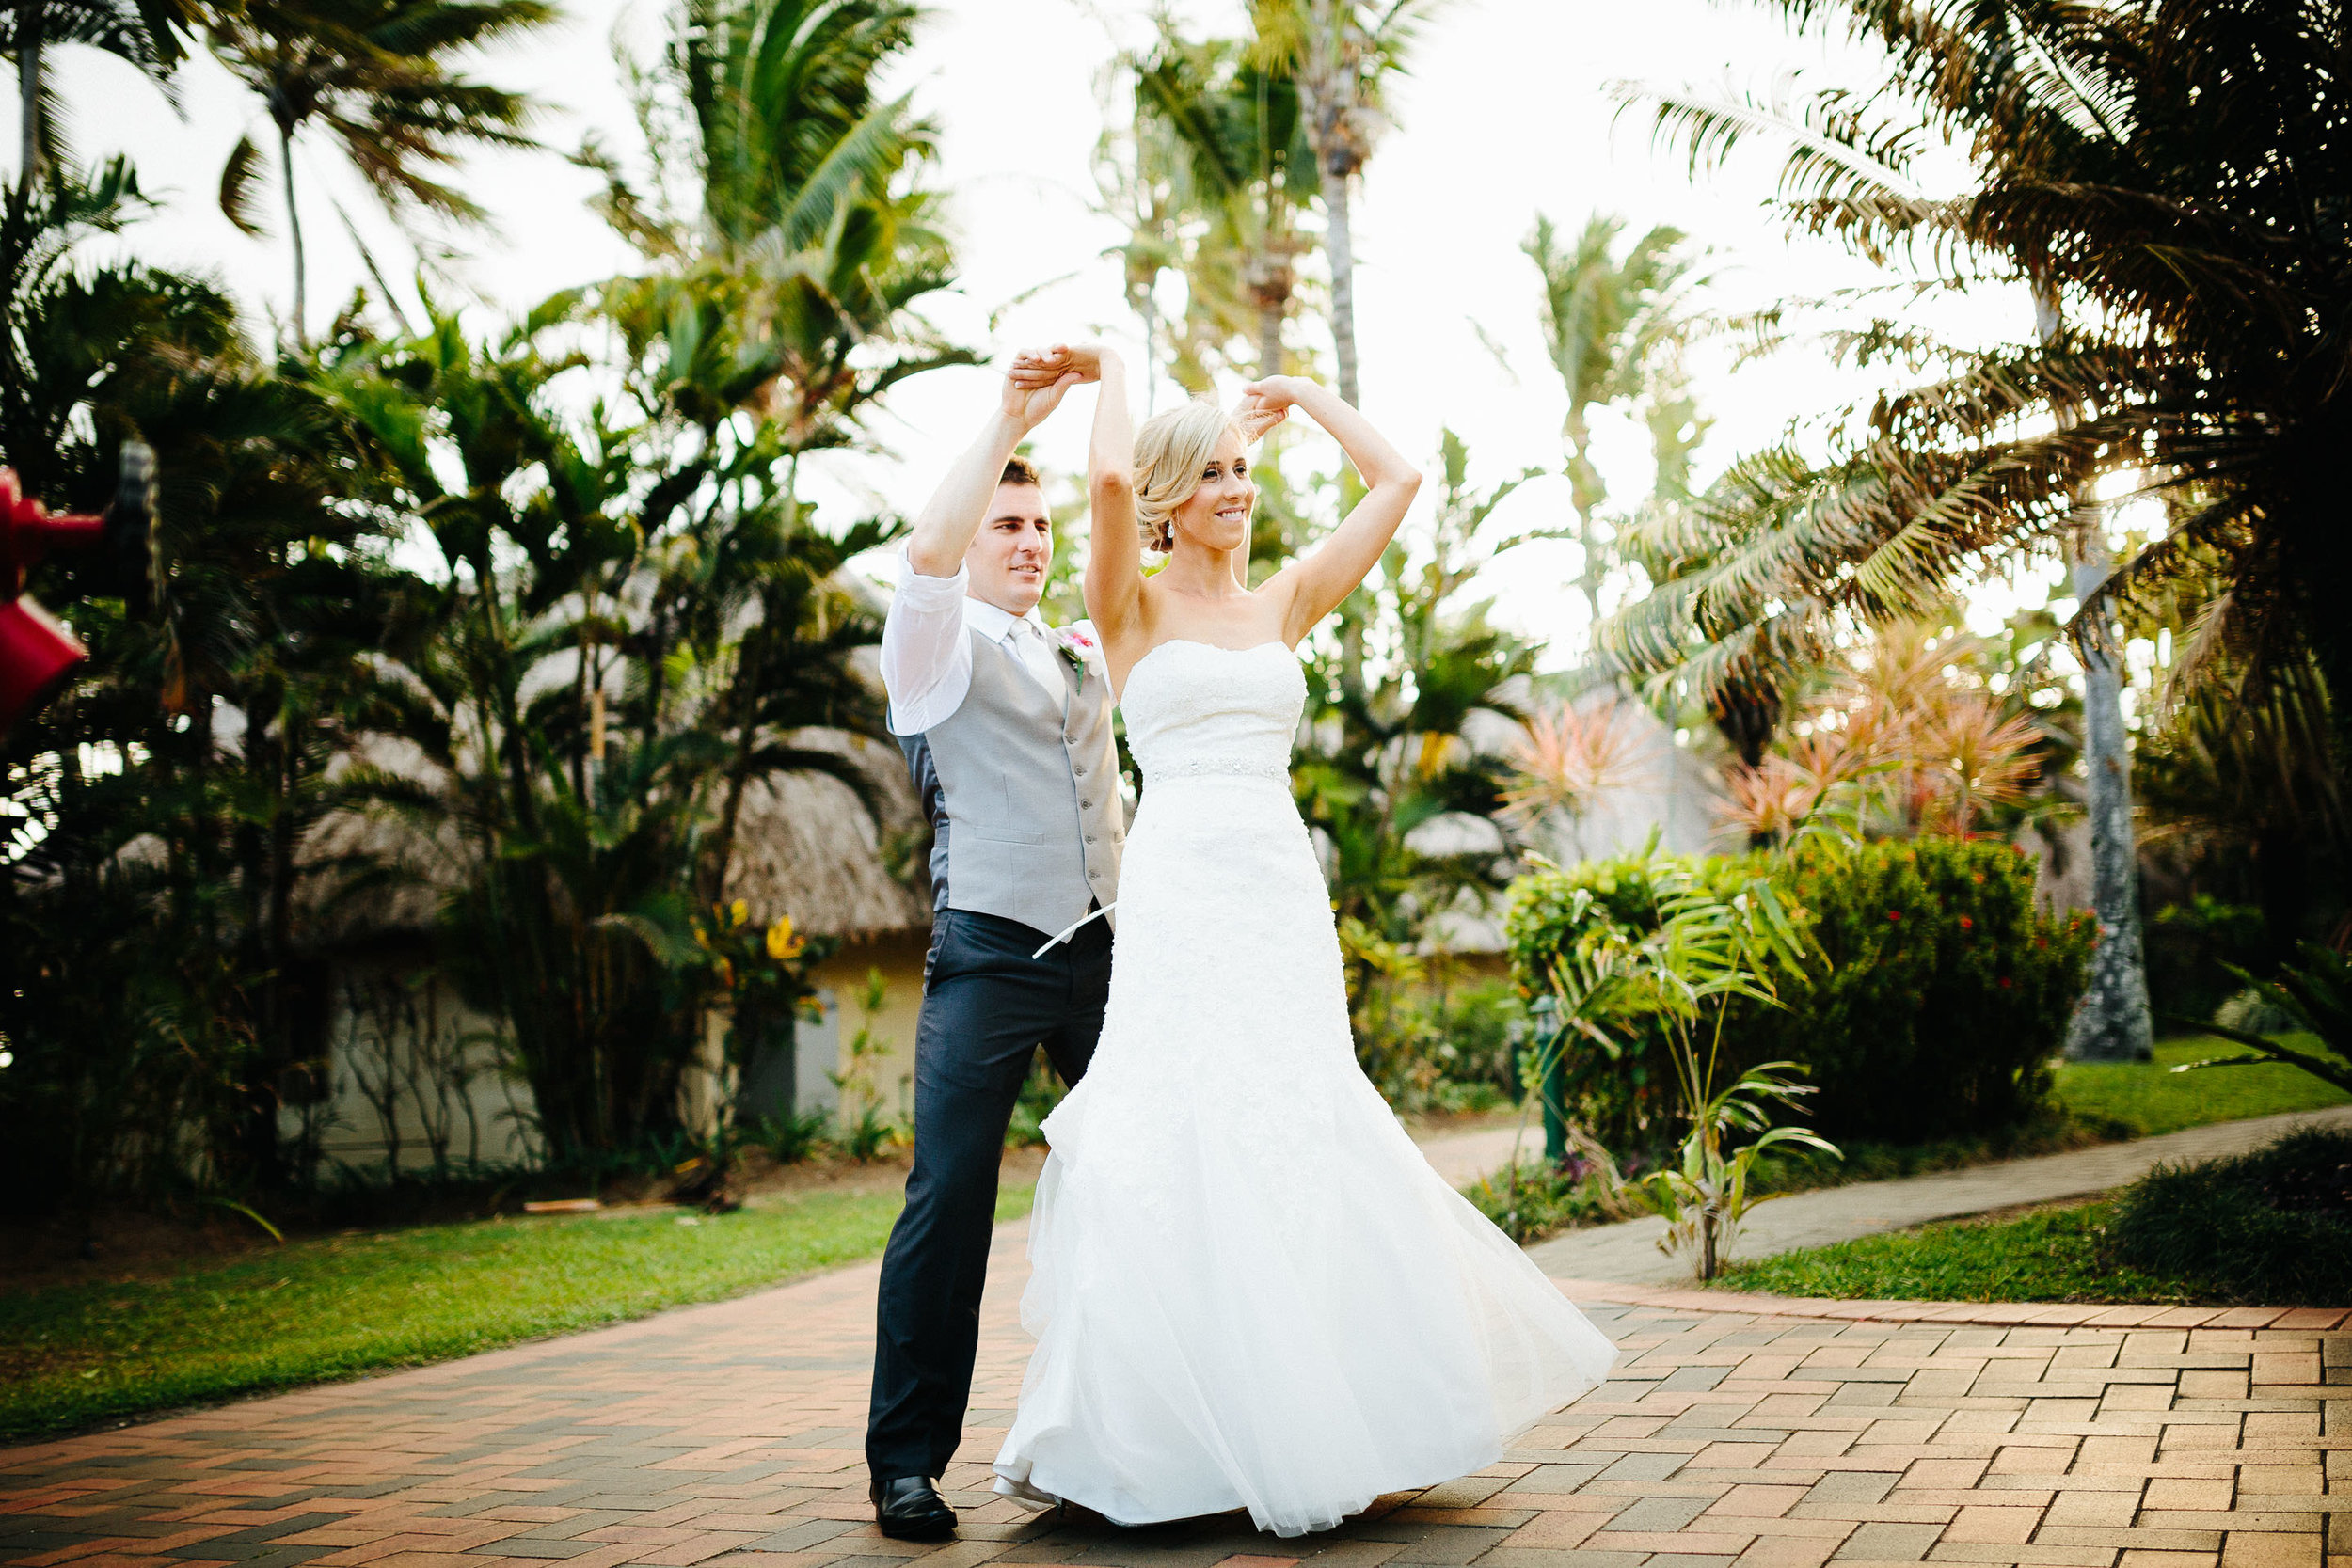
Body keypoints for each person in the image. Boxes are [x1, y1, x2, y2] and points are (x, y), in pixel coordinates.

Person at [987, 344, 1618, 1538]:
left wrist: (1306, 400)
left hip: (1277, 893)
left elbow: (1396, 482)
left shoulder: (1284, 601)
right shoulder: (1126, 602)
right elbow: (1109, 486)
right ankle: (1164, 1431)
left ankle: (1325, 1409)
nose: (1237, 487)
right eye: (1213, 472)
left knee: (1293, 1113)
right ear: (1176, 494)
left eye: (1242, 468)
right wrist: (1116, 368)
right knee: (1181, 1118)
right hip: (1179, 891)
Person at [862, 356, 1120, 1542]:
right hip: (989, 954)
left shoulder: (1070, 645)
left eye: (1038, 524)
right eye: (1006, 523)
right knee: (950, 1199)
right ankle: (906, 1463)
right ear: (973, 537)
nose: (1026, 541)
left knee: (1148, 1181)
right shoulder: (932, 648)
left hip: (1106, 958)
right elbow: (922, 553)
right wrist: (1009, 419)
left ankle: (1145, 1430)